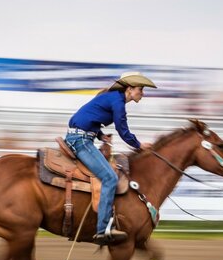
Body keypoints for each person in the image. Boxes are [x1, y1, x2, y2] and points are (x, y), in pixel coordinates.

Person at [65, 71, 157, 245]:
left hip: (82, 137)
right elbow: (123, 130)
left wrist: (100, 136)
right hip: (81, 141)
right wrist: (138, 145)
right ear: (130, 89)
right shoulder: (118, 102)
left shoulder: (113, 98)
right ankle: (103, 229)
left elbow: (87, 118)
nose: (142, 93)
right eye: (140, 89)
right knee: (109, 177)